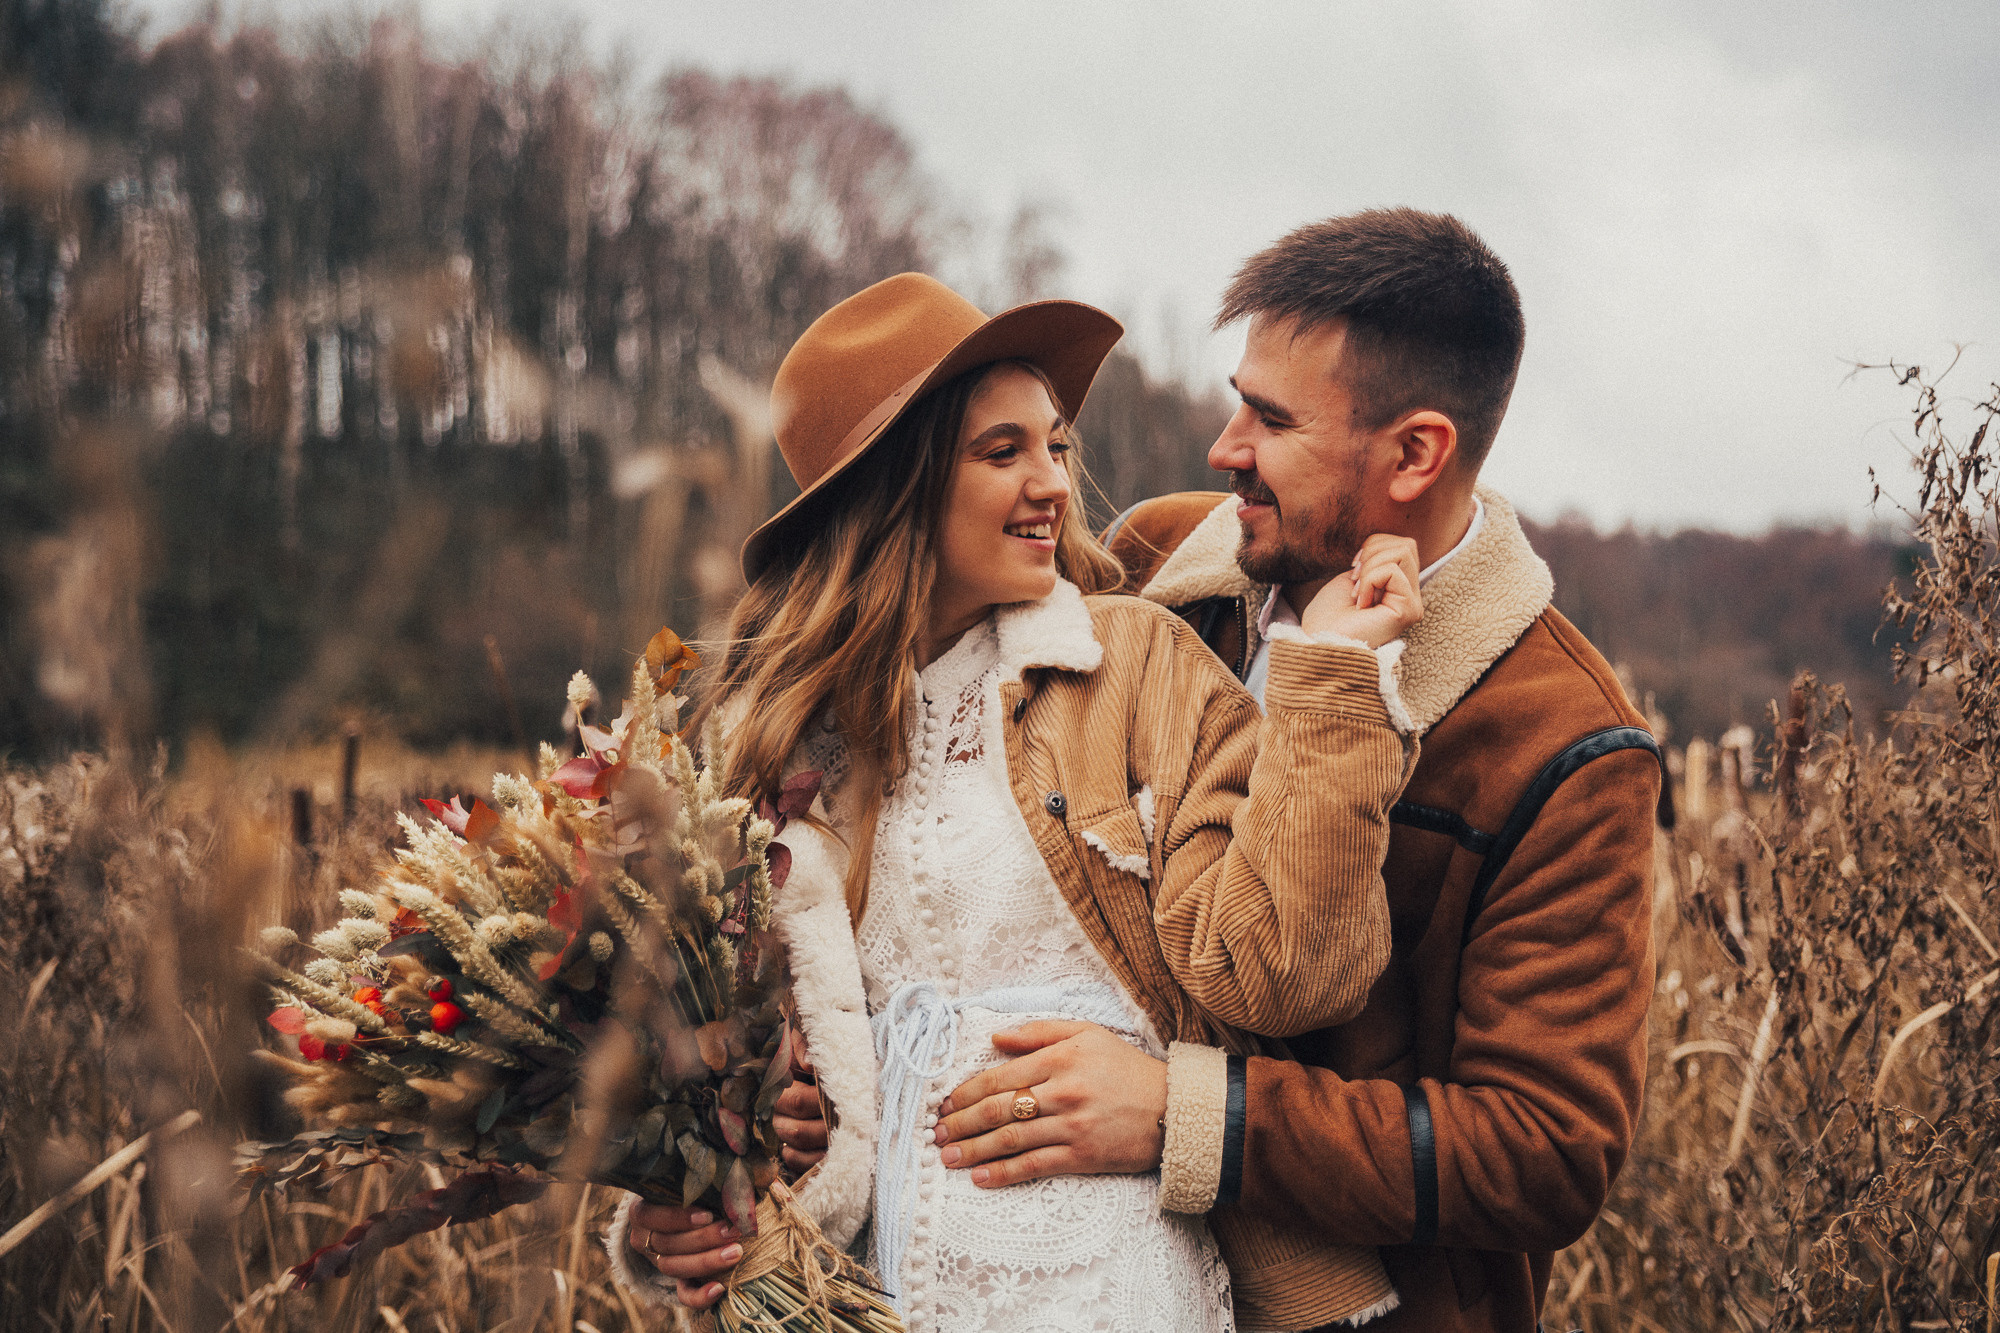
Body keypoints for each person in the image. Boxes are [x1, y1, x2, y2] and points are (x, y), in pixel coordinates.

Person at [604, 272, 1428, 1331]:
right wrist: (680, 1199)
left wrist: (1335, 683)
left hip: (1105, 1286)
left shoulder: (1130, 666)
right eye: (1002, 452)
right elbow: (707, 1060)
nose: (1052, 483)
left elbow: (1281, 972)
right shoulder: (775, 753)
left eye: (1056, 446)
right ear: (895, 489)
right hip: (869, 1296)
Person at [927, 210, 1662, 1333]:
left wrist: (1183, 1117)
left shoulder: (1565, 745)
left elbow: (1542, 1151)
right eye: (1240, 401)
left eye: (1270, 420)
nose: (1224, 448)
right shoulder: (1156, 566)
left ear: (1415, 454)